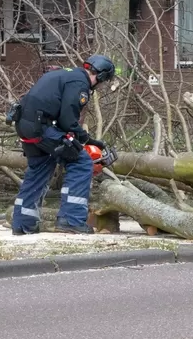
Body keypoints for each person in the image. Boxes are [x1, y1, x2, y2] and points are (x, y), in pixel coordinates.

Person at [10, 55, 115, 235]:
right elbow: (68, 121)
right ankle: (71, 220)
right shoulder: (80, 83)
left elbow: (57, 113)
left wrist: (82, 139)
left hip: (26, 126)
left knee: (40, 168)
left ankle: (22, 223)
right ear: (102, 76)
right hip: (42, 126)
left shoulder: (64, 74)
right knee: (81, 162)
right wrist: (88, 140)